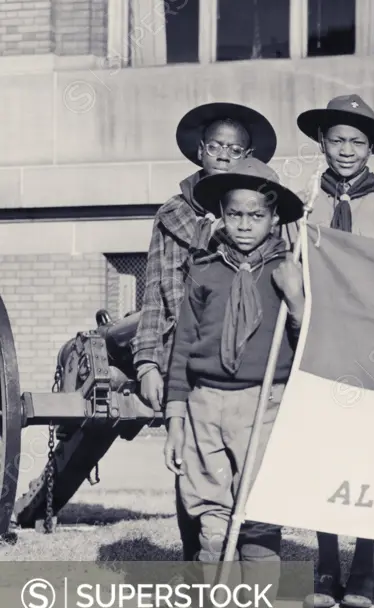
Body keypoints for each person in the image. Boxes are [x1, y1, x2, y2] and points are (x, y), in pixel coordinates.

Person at [163, 158, 306, 608]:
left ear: (274, 219)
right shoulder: (203, 270)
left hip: (264, 403)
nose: (245, 224)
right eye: (235, 214)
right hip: (205, 405)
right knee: (211, 526)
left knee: (259, 523)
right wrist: (176, 414)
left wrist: (295, 298)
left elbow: (314, 338)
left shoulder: (290, 270)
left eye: (256, 215)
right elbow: (181, 349)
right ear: (221, 216)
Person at [132, 102, 277, 564]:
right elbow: (155, 293)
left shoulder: (251, 216)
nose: (225, 156)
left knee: (250, 489)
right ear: (200, 151)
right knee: (195, 487)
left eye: (236, 149)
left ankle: (248, 592)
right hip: (186, 360)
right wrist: (148, 361)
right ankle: (203, 587)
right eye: (216, 146)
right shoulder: (173, 215)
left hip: (245, 371)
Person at [295, 93, 374, 608]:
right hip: (320, 343)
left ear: (371, 149)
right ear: (322, 143)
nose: (346, 150)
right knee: (323, 456)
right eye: (337, 140)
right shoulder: (302, 201)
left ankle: (363, 565)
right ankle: (326, 564)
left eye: (357, 142)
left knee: (367, 457)